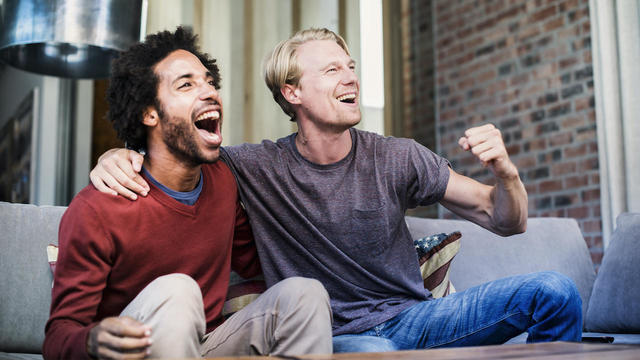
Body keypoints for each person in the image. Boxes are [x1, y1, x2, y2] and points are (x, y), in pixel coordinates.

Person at [90, 28, 582, 352]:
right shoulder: (251, 168)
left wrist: (506, 172)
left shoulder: (398, 155)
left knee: (555, 293)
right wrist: (120, 154)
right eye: (332, 70)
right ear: (292, 93)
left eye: (350, 67)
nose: (351, 77)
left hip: (419, 319)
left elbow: (507, 220)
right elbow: (179, 157)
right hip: (341, 336)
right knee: (377, 352)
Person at [43, 27, 332, 360]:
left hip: (204, 346)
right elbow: (57, 338)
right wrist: (92, 341)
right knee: (177, 290)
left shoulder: (223, 180)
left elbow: (258, 257)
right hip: (132, 351)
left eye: (210, 82)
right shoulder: (97, 209)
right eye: (186, 84)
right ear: (148, 113)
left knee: (304, 295)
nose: (210, 92)